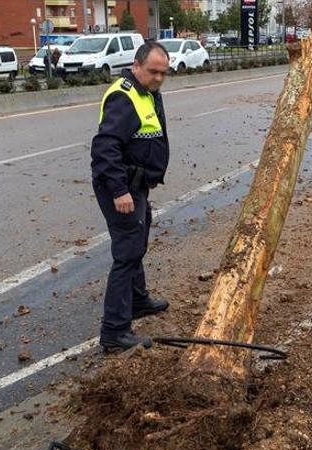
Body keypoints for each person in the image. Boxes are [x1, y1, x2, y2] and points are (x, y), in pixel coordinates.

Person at [91, 41, 172, 351]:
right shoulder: (123, 97)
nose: (159, 78)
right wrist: (120, 191)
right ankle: (114, 331)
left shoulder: (147, 92)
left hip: (136, 185)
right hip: (120, 187)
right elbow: (104, 148)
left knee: (138, 240)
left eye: (164, 73)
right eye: (153, 72)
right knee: (126, 254)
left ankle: (138, 301)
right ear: (136, 66)